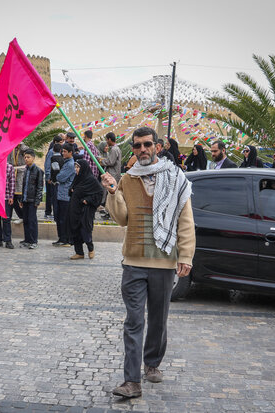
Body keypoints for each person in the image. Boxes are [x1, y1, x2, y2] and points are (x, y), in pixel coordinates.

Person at [101, 126, 195, 399]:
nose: (142, 149)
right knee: (133, 321)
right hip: (134, 262)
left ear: (157, 146)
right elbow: (122, 219)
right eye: (137, 145)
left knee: (157, 319)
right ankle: (132, 381)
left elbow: (185, 221)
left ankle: (152, 363)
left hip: (164, 263)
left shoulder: (176, 178)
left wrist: (186, 256)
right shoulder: (128, 180)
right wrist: (112, 192)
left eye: (146, 144)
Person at [68, 159, 104, 260]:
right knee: (75, 230)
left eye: (78, 167)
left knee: (85, 230)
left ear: (83, 168)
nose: (76, 169)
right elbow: (72, 189)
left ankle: (90, 248)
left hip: (85, 210)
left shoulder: (91, 180)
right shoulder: (77, 178)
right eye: (75, 167)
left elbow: (99, 193)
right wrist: (71, 190)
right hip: (75, 209)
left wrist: (87, 200)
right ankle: (79, 252)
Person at [19, 149, 43, 249]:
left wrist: (37, 200)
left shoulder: (38, 171)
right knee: (26, 220)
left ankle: (34, 241)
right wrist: (21, 199)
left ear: (33, 158)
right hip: (25, 199)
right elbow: (24, 185)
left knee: (32, 220)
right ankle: (27, 239)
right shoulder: (26, 170)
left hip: (32, 200)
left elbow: (40, 187)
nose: (26, 159)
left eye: (28, 157)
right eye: (25, 157)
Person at [53, 143, 76, 247]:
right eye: (62, 151)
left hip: (65, 195)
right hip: (61, 193)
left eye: (65, 151)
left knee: (63, 218)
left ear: (70, 153)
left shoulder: (70, 164)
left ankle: (65, 239)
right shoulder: (66, 162)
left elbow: (60, 177)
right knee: (59, 217)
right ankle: (61, 238)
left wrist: (57, 175)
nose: (63, 153)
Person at [0, 163, 15, 249]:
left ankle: (8, 240)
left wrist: (11, 196)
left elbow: (12, 183)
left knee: (6, 219)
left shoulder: (9, 167)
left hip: (5, 197)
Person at [101, 132, 122, 218]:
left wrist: (101, 161)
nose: (106, 142)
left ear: (109, 139)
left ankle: (110, 213)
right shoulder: (117, 149)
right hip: (115, 174)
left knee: (110, 194)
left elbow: (111, 162)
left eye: (106, 139)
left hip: (113, 174)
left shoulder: (114, 149)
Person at [8, 142, 29, 224]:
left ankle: (25, 217)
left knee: (21, 197)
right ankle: (21, 216)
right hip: (12, 173)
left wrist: (21, 144)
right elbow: (9, 161)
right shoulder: (11, 148)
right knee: (13, 198)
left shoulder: (23, 148)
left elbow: (27, 151)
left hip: (22, 174)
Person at [43, 135, 63, 219]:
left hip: (54, 178)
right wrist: (48, 177)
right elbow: (47, 165)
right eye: (60, 142)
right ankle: (48, 212)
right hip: (51, 178)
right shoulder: (52, 152)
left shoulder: (57, 152)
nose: (62, 144)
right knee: (50, 195)